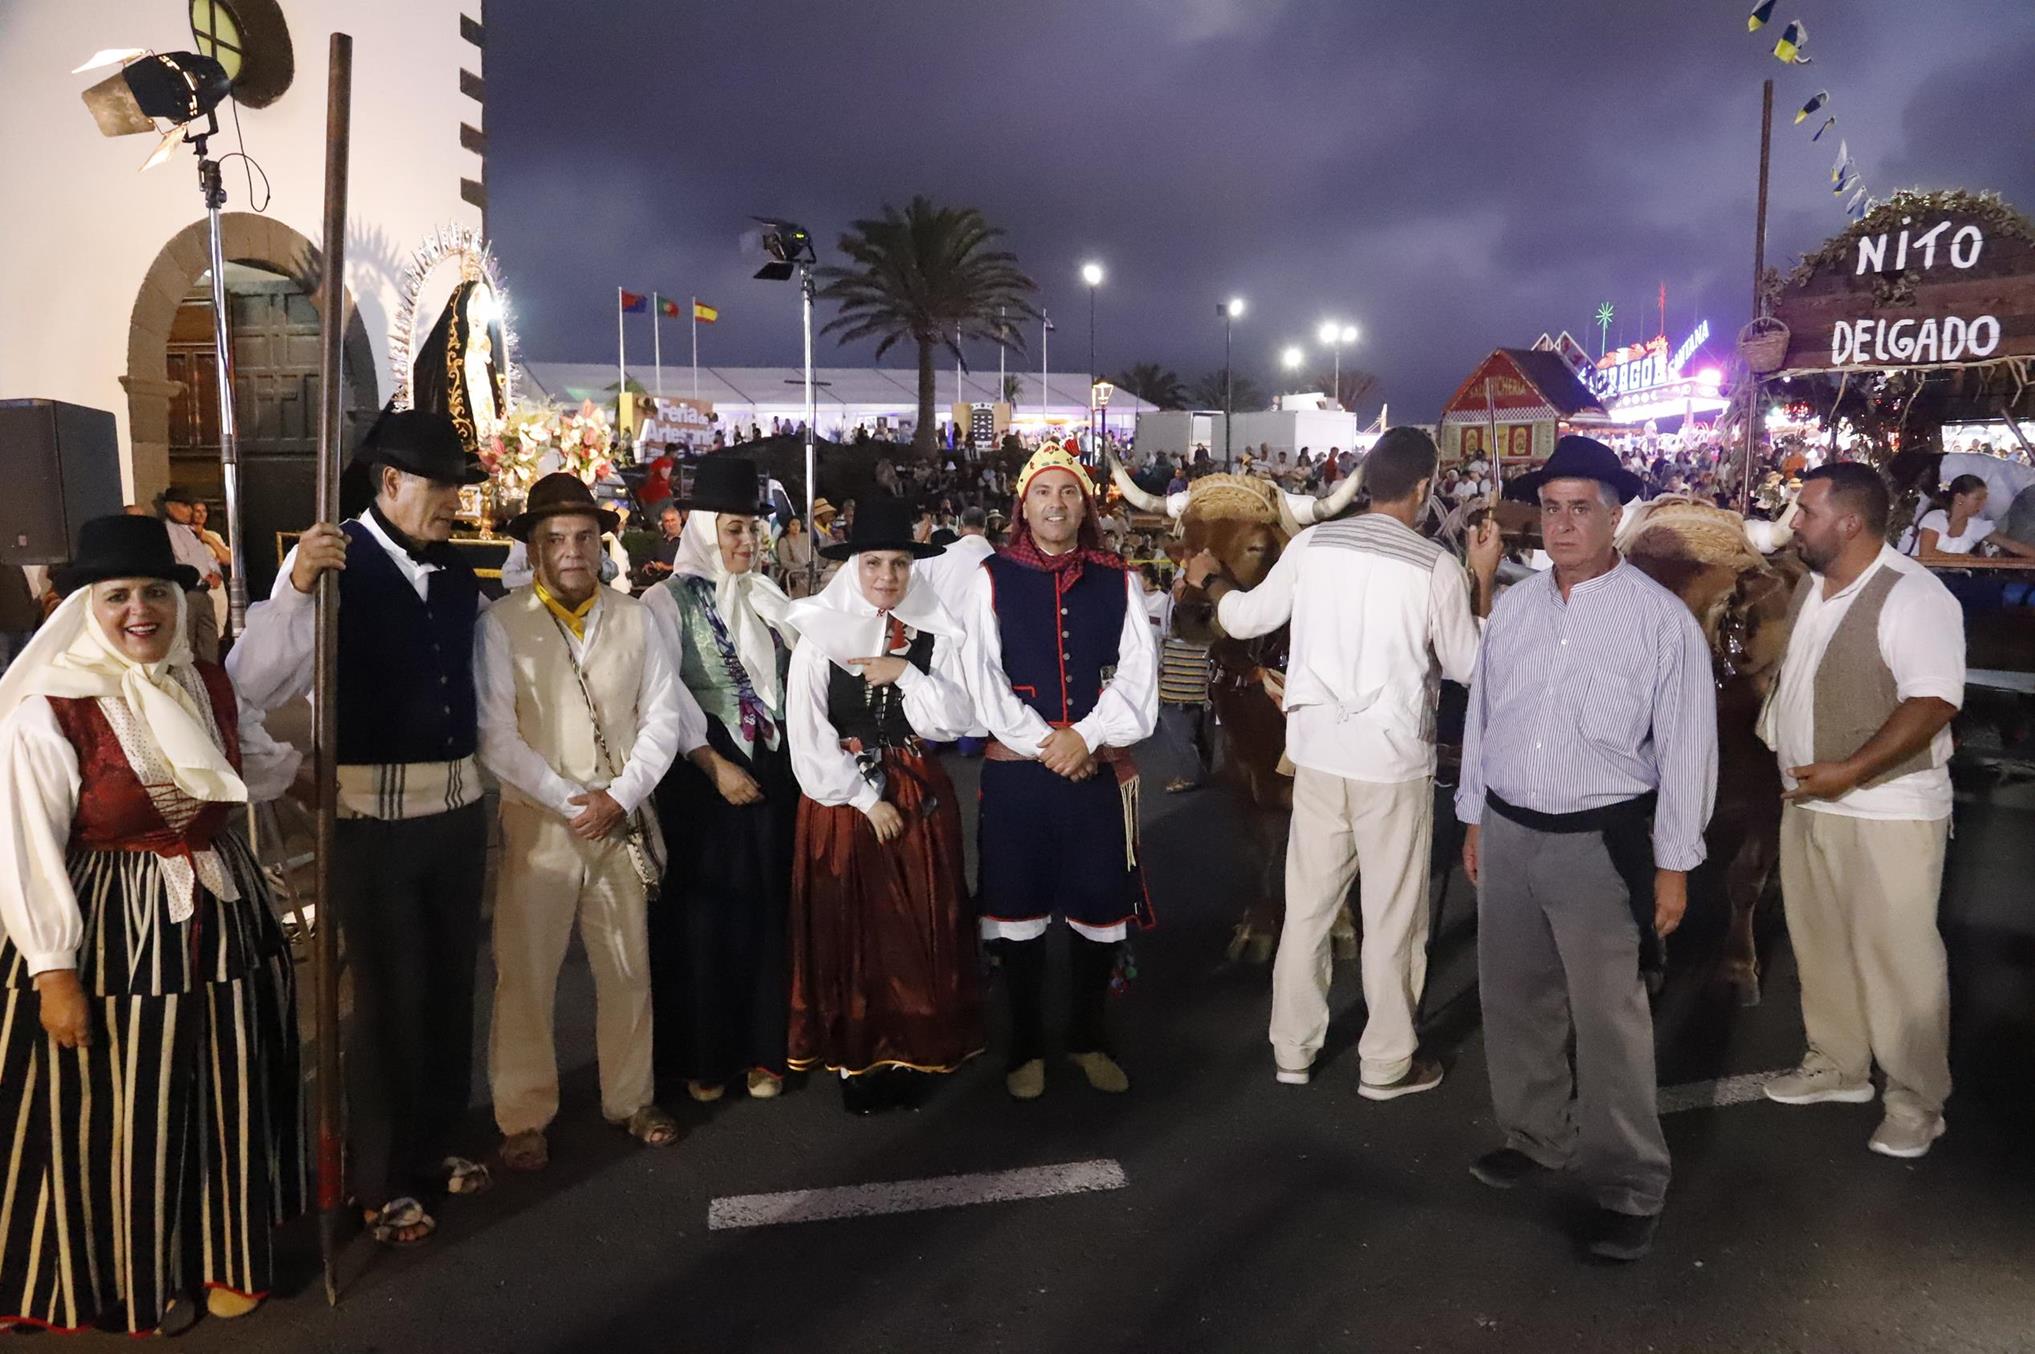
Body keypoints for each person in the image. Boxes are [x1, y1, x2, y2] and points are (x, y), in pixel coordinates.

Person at [0, 515, 303, 1333]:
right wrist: (54, 970)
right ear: (82, 608)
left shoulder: (203, 682)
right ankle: (142, 1269)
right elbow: (25, 845)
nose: (141, 612)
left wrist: (309, 770)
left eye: (155, 593)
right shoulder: (48, 711)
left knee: (227, 1088)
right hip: (113, 931)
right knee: (132, 1103)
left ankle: (226, 1252)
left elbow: (250, 767)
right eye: (119, 596)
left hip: (225, 915)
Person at [229, 409, 493, 1248]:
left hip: (456, 817)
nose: (454, 501)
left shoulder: (457, 574)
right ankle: (379, 1177)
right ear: (390, 483)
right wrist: (296, 586)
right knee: (383, 1001)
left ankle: (434, 1143)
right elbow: (246, 688)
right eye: (442, 485)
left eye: (456, 485)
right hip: (371, 827)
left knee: (451, 990)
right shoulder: (329, 566)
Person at [1456, 435, 1716, 1263]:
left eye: (1581, 508)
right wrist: (1472, 817)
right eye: (1552, 507)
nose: (1562, 524)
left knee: (1611, 1023)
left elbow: (1685, 747)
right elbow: (1481, 719)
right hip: (1507, 830)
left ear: (1614, 517)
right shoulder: (1519, 609)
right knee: (1514, 1000)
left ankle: (1630, 1186)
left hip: (1600, 848)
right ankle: (1536, 1137)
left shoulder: (1658, 621)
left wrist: (1672, 862)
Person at [1188, 427, 1501, 1094]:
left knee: (1306, 909)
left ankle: (1292, 1051)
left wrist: (1213, 581)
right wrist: (1481, 577)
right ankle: (1386, 1062)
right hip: (1391, 766)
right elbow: (1473, 666)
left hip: (1317, 758)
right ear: (1423, 487)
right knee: (1393, 917)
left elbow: (1242, 621)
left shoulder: (1311, 546)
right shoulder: (1433, 567)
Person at [477, 474, 700, 1170]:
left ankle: (629, 1099)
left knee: (628, 966)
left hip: (618, 817)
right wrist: (572, 801)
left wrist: (622, 796)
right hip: (539, 825)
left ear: (599, 544)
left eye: (581, 537)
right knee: (525, 973)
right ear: (534, 550)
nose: (570, 551)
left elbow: (662, 718)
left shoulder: (636, 617)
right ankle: (522, 1113)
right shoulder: (500, 624)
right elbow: (496, 735)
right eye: (554, 539)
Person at [1757, 464, 1963, 1158]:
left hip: (1886, 808)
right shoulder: (1812, 587)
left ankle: (1915, 1100)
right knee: (1819, 943)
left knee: (1900, 957)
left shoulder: (1913, 595)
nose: (1793, 522)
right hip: (1811, 799)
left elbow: (1932, 701)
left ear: (1848, 522)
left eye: (1805, 511)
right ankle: (1837, 1066)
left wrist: (1849, 770)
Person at [961, 446, 1158, 1100]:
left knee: (1099, 912)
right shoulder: (989, 577)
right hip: (1020, 779)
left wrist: (1087, 737)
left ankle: (1087, 1036)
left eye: (1068, 492)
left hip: (1092, 773)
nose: (1056, 503)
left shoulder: (1119, 579)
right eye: (1044, 491)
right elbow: (980, 679)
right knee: (1015, 913)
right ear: (1024, 504)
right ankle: (1023, 1044)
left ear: (1084, 503)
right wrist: (1049, 743)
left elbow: (1138, 678)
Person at [785, 498, 983, 1113]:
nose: (886, 577)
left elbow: (956, 720)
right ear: (854, 567)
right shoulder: (820, 635)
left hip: (918, 791)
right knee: (854, 926)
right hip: (843, 802)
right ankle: (858, 1060)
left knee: (917, 924)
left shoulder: (935, 634)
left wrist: (906, 673)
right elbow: (807, 732)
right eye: (874, 563)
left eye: (898, 564)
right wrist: (866, 799)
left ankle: (916, 1047)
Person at [643, 457, 800, 1104]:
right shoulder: (662, 600)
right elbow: (663, 694)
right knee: (707, 921)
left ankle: (766, 1049)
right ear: (705, 530)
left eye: (752, 530)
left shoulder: (769, 597)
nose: (746, 541)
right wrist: (712, 763)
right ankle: (706, 1057)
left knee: (769, 914)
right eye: (733, 529)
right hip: (704, 778)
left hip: (771, 773)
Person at [156, 485, 223, 661]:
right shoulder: (167, 530)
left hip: (203, 592)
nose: (189, 511)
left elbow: (206, 557)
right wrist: (204, 574)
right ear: (170, 506)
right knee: (188, 644)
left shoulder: (191, 532)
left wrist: (215, 573)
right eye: (185, 506)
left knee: (209, 642)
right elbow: (182, 558)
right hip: (186, 591)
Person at [1910, 473, 2035, 562]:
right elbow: (1926, 554)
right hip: (1925, 578)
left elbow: (2014, 546)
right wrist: (1963, 558)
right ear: (1959, 498)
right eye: (1978, 499)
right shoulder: (1935, 518)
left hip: (1956, 579)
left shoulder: (1977, 526)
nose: (1982, 504)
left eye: (1984, 499)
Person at [776, 514, 818, 597]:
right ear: (788, 527)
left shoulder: (807, 538)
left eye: (798, 524)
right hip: (794, 576)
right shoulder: (784, 541)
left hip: (809, 575)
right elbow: (784, 562)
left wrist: (812, 567)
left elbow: (814, 554)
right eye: (793, 524)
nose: (796, 527)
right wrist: (801, 567)